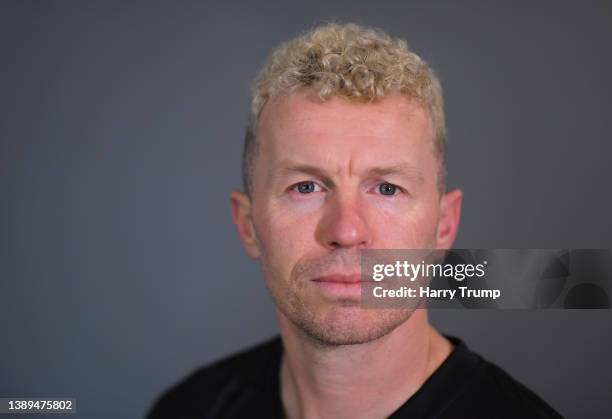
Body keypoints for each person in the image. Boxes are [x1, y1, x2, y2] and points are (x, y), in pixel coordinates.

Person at [146, 22, 562, 419]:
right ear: (248, 224)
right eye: (306, 187)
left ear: (444, 226)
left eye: (386, 189)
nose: (346, 232)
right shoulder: (189, 409)